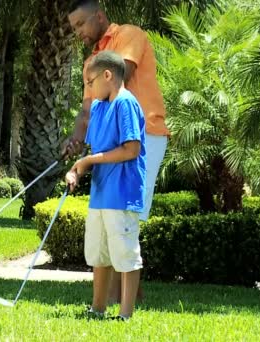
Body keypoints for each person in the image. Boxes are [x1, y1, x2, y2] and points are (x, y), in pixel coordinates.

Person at [64, 0, 169, 303]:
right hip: (112, 142)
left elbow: (118, 78)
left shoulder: (130, 35)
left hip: (144, 135)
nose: (78, 33)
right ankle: (122, 300)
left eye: (81, 24)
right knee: (112, 214)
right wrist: (75, 139)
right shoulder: (92, 62)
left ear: (99, 16)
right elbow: (87, 110)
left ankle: (121, 302)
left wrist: (90, 151)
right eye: (74, 28)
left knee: (125, 214)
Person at [65, 50, 145, 321]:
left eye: (90, 81)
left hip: (122, 194)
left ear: (107, 75)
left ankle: (125, 315)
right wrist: (77, 169)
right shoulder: (99, 107)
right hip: (100, 195)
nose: (88, 88)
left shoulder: (126, 103)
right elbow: (94, 151)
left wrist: (88, 160)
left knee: (125, 254)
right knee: (99, 254)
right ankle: (97, 308)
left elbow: (131, 149)